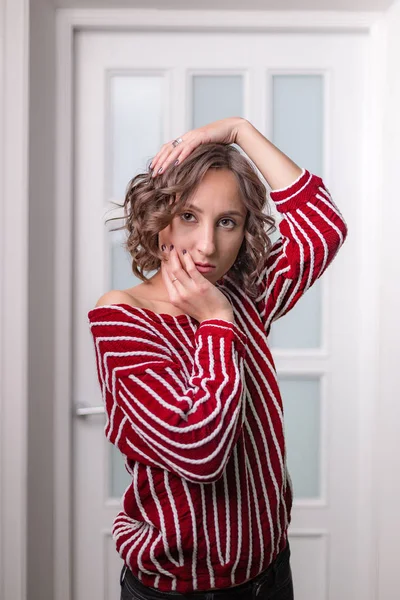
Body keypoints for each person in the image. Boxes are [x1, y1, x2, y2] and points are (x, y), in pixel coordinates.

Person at [87, 117, 348, 600]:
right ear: (158, 217)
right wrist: (216, 323)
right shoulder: (122, 316)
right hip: (180, 590)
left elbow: (324, 227)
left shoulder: (242, 294)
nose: (208, 245)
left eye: (227, 221)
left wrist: (238, 131)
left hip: (270, 571)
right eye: (189, 216)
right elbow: (198, 449)